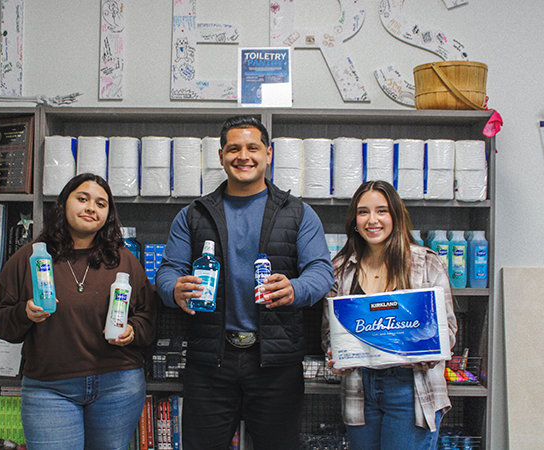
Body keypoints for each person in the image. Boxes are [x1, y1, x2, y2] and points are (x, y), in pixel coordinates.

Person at [155, 115, 334, 450]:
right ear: (221, 156)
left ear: (268, 153)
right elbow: (167, 271)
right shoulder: (193, 215)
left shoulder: (298, 213)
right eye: (233, 149)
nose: (243, 156)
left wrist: (296, 288)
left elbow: (322, 272)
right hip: (210, 360)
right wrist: (173, 288)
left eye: (253, 148)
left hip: (275, 363)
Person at [0, 173, 156, 450]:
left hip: (118, 385)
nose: (91, 207)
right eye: (82, 199)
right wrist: (24, 314)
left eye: (101, 204)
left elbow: (147, 318)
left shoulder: (124, 259)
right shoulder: (30, 257)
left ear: (108, 216)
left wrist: (131, 331)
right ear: (63, 204)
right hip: (49, 388)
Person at [321, 180, 457, 450]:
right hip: (359, 389)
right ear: (354, 219)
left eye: (381, 211)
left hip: (411, 389)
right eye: (363, 212)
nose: (372, 220)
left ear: (395, 215)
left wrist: (428, 353)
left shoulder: (425, 263)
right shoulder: (341, 269)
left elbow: (448, 331)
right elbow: (330, 334)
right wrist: (334, 358)